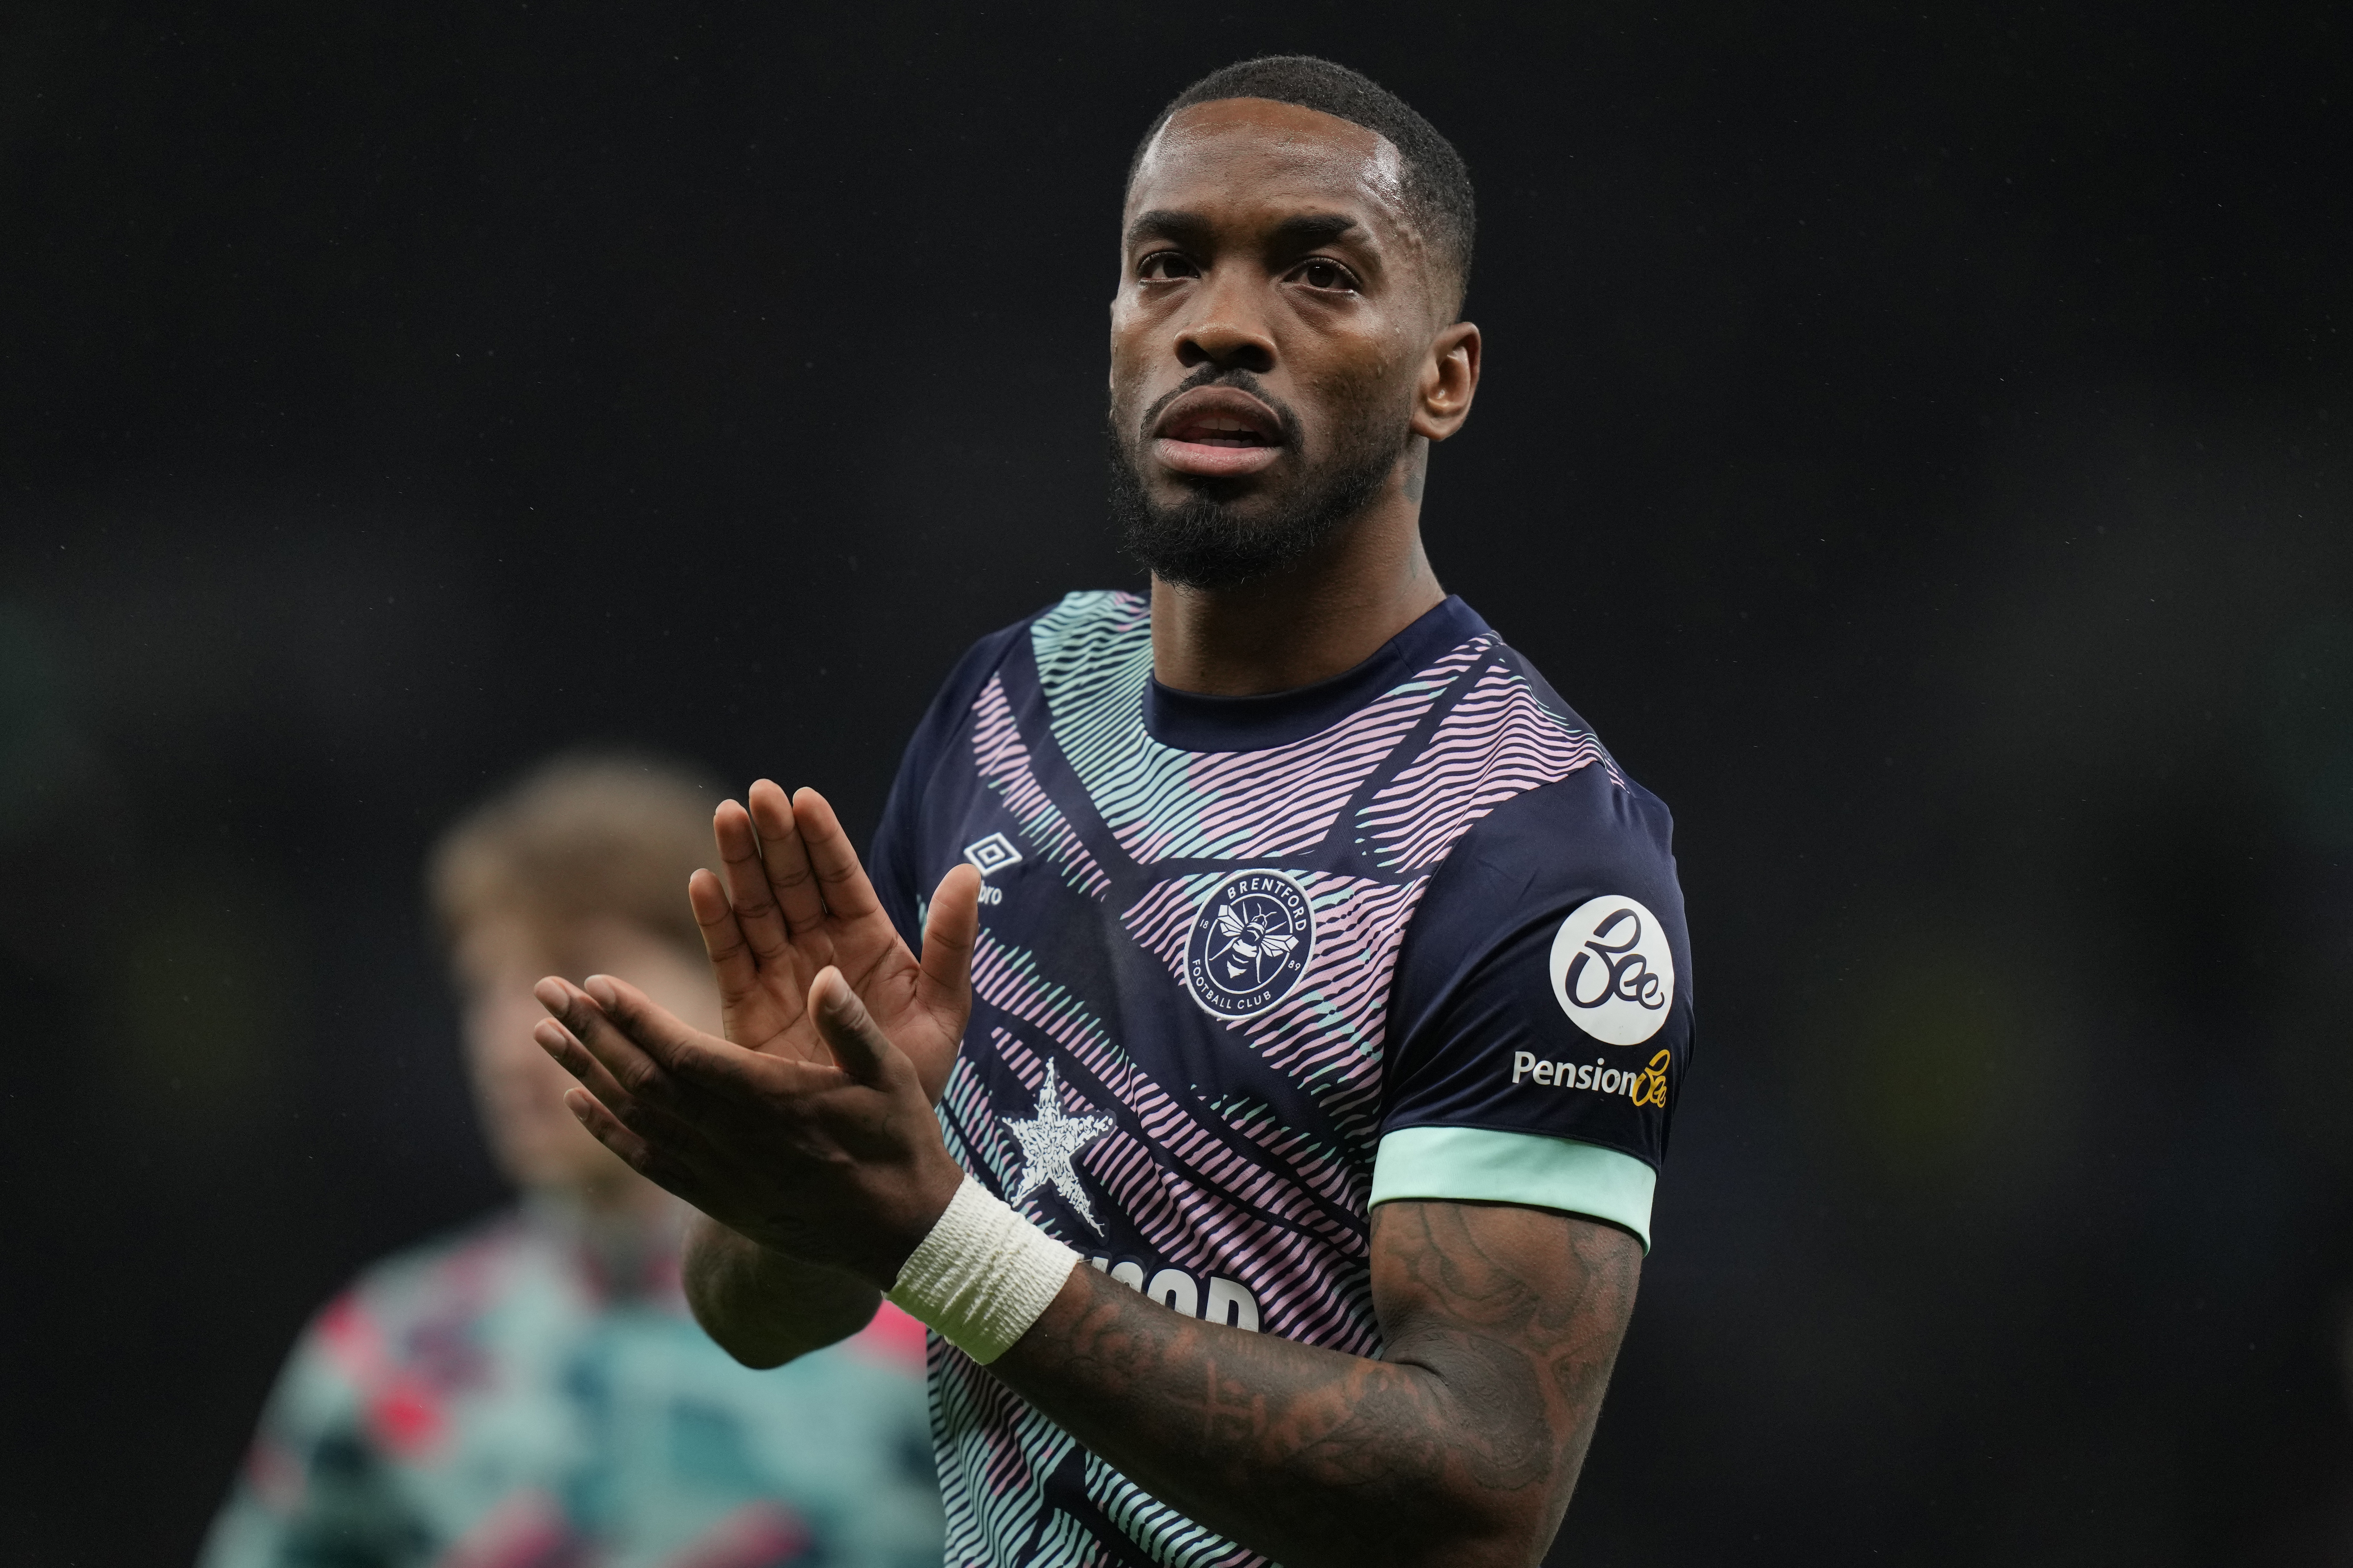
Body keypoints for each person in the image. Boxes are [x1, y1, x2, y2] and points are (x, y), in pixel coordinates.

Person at [534, 56, 1693, 1568]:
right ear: (1116, 329)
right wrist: (807, 1185)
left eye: (1319, 273)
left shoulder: (1533, 846)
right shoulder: (1006, 708)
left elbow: (1477, 1501)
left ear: (1444, 377)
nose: (1220, 322)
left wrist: (933, 1235)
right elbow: (759, 1311)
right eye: (1167, 266)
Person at [200, 754, 943, 1568]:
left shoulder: (923, 1335)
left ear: (735, 982)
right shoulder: (386, 1353)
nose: (507, 1043)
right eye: (484, 987)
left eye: (574, 974)